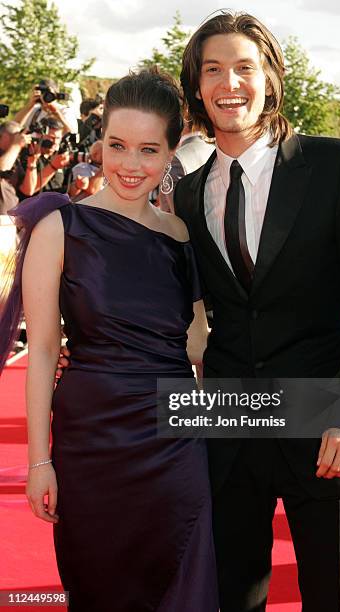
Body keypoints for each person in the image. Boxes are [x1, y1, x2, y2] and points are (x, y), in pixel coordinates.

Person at [172, 11, 340, 612]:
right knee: (231, 599)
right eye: (213, 70)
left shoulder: (332, 164)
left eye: (245, 67)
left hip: (327, 427)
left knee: (334, 600)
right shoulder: (189, 194)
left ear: (270, 78)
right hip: (227, 426)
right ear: (197, 85)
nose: (230, 84)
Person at [0, 69, 218, 612]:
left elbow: (197, 344)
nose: (129, 165)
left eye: (149, 150)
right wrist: (39, 462)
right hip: (90, 443)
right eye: (117, 146)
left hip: (176, 442)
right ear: (100, 144)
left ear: (172, 154)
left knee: (182, 584)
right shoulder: (60, 227)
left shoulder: (180, 236)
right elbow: (44, 349)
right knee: (99, 585)